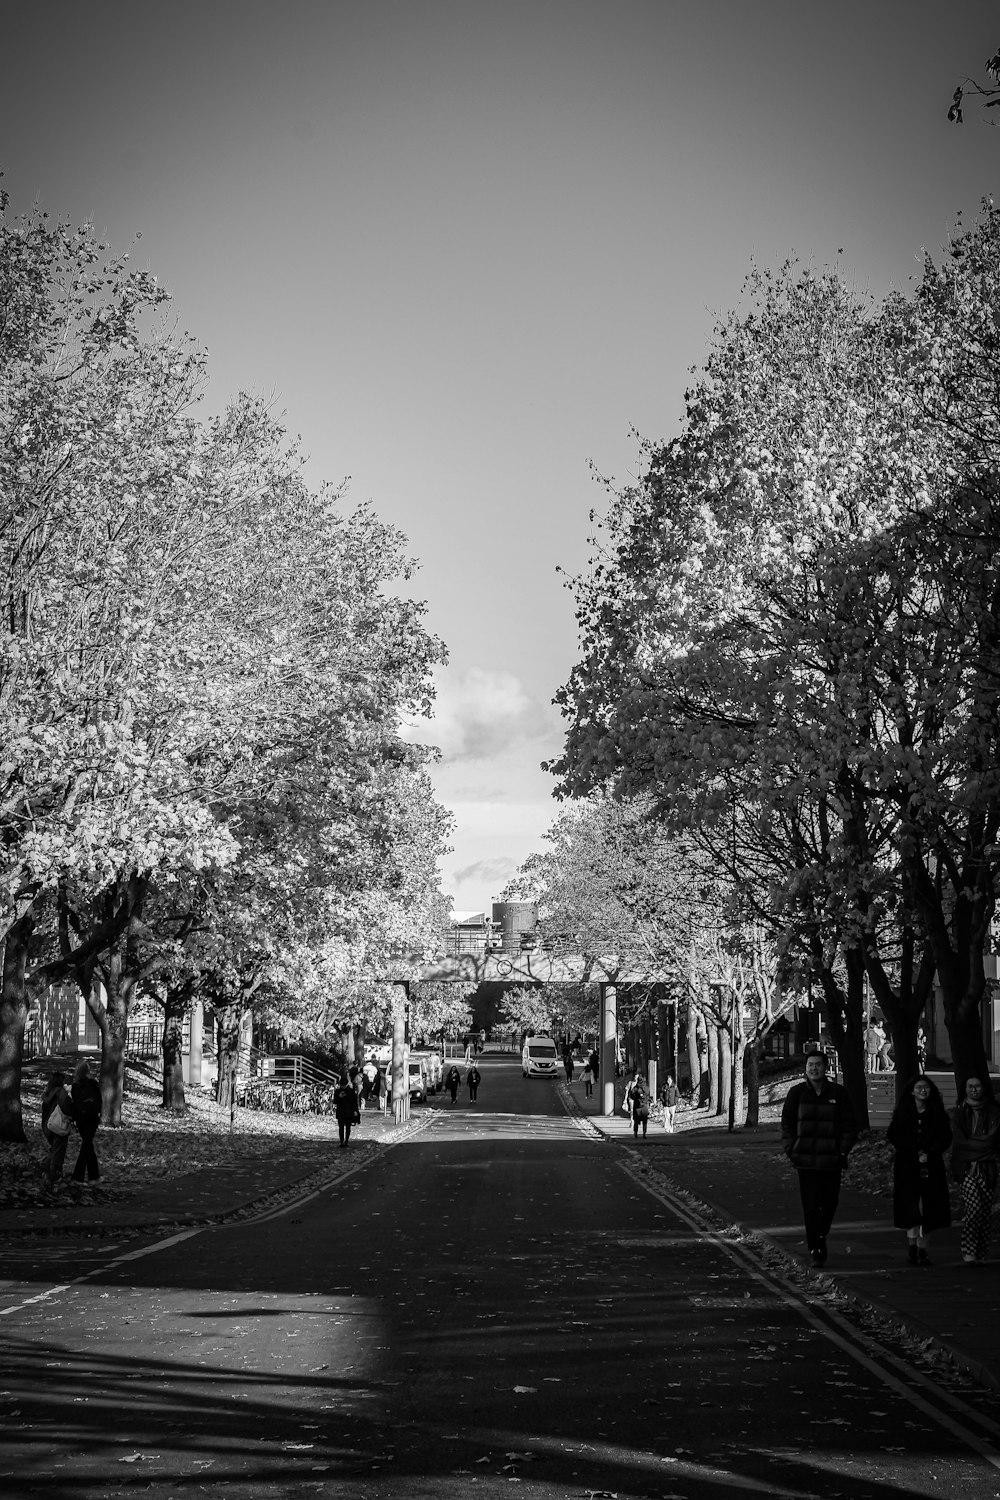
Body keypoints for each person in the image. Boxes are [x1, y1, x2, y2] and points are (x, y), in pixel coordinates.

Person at [780, 1052, 858, 1267]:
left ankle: (821, 1233)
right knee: (811, 1206)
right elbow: (787, 1124)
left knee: (830, 1203)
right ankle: (816, 1248)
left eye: (817, 1065)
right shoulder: (796, 1093)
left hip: (831, 1160)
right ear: (805, 1068)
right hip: (805, 1160)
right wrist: (791, 1149)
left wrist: (842, 1151)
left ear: (825, 1068)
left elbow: (849, 1126)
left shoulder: (838, 1093)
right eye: (810, 1065)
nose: (813, 1068)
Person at [886, 1074, 952, 1265]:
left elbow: (945, 1137)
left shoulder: (937, 1113)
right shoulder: (903, 1113)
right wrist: (912, 1152)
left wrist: (930, 1152)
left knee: (929, 1207)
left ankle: (923, 1248)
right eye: (919, 1088)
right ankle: (912, 1245)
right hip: (907, 1166)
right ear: (912, 1091)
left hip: (931, 1166)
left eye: (926, 1088)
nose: (923, 1091)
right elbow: (894, 1135)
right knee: (910, 1207)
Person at [950, 1075, 1000, 1264]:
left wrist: (975, 1146)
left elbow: (993, 1140)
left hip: (987, 1168)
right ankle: (968, 1249)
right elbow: (960, 1142)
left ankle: (981, 1250)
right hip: (966, 1167)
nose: (974, 1090)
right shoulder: (961, 1112)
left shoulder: (994, 1112)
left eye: (977, 1086)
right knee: (974, 1208)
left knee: (985, 1210)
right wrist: (980, 1147)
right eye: (970, 1086)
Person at [40, 1071, 75, 1189]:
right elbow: (67, 1109)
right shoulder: (61, 1093)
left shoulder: (47, 1094)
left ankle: (46, 1168)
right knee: (58, 1152)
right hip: (58, 1126)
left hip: (47, 1126)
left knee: (55, 1150)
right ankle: (53, 1176)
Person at [70, 1061, 102, 1183]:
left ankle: (94, 1176)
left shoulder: (75, 1086)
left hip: (81, 1119)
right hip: (92, 1117)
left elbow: (75, 1103)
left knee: (87, 1145)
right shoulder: (93, 1083)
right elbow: (99, 1099)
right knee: (87, 1145)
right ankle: (79, 1176)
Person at [334, 1071, 360, 1147]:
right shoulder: (338, 1091)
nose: (342, 1087)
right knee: (341, 1127)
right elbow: (335, 1101)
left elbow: (354, 1102)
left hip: (348, 1111)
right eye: (341, 1085)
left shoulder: (350, 1092)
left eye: (343, 1085)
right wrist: (339, 1097)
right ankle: (342, 1141)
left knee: (348, 1127)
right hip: (341, 1111)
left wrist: (355, 1110)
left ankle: (346, 1141)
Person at [625, 1069, 650, 1139]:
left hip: (637, 1107)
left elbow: (632, 1096)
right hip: (644, 1106)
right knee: (645, 1121)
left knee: (636, 1121)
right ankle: (644, 1133)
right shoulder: (646, 1087)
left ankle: (635, 1133)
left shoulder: (635, 1088)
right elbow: (648, 1094)